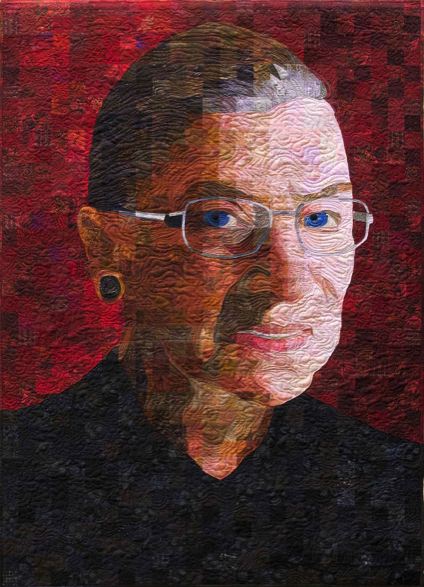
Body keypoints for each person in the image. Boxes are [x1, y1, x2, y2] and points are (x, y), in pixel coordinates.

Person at [3, 23, 420, 587]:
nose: (290, 282)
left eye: (321, 218)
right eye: (221, 219)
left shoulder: (399, 490)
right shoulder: (18, 480)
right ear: (107, 247)